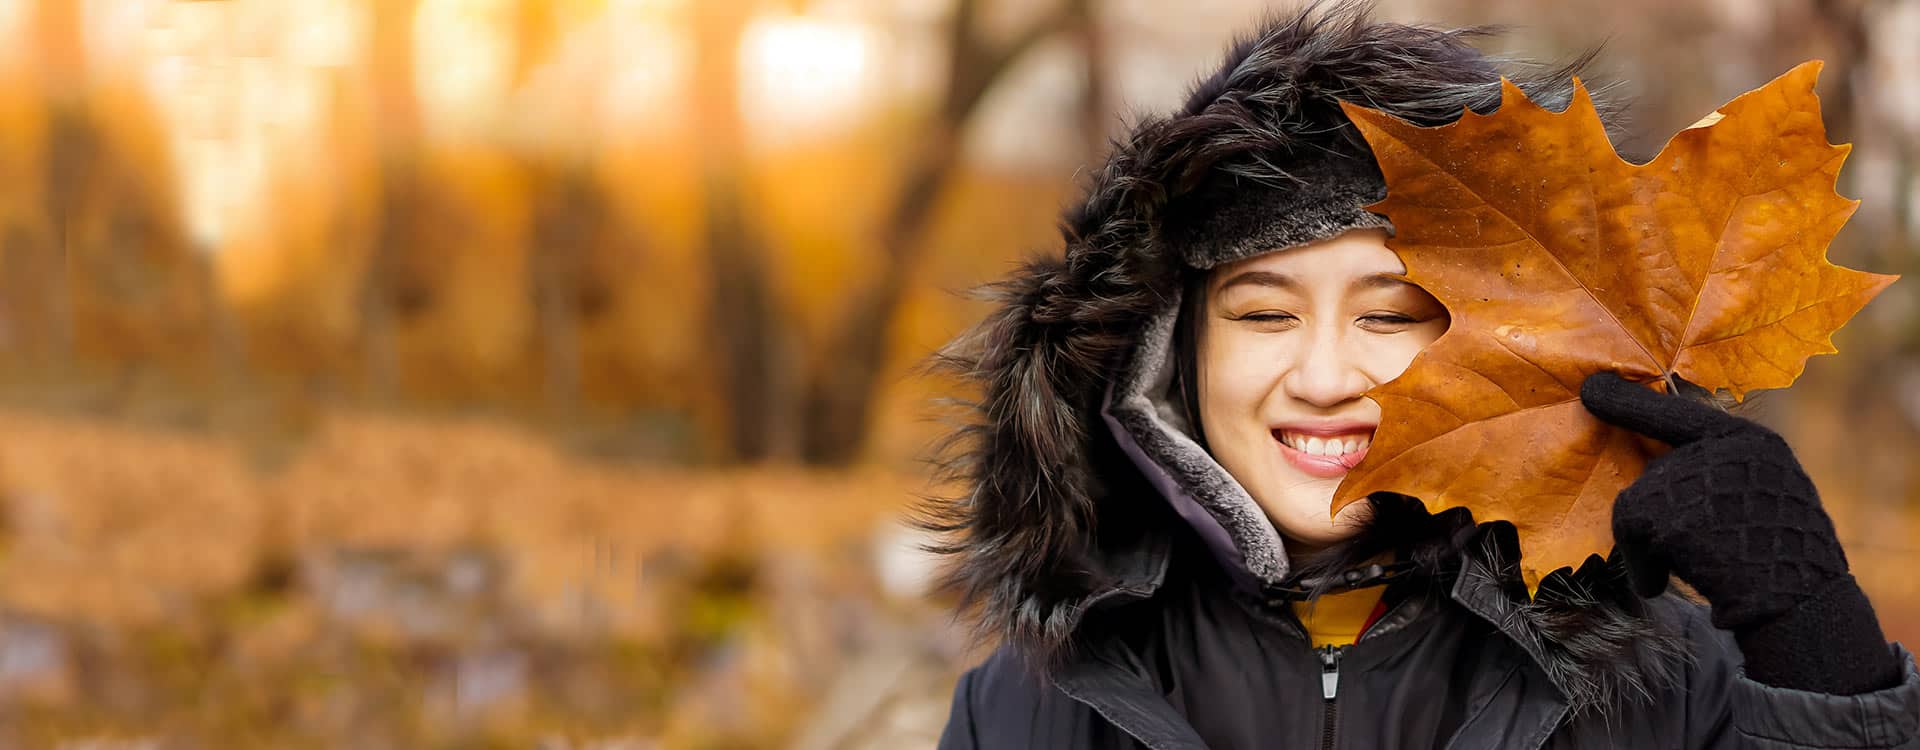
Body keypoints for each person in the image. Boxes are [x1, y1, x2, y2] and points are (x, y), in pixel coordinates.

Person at [926, 3, 1920, 748]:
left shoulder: (1665, 682)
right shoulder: (1030, 709)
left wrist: (1814, 636)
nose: (1323, 375)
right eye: (1266, 315)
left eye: (1389, 316)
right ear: (1170, 358)